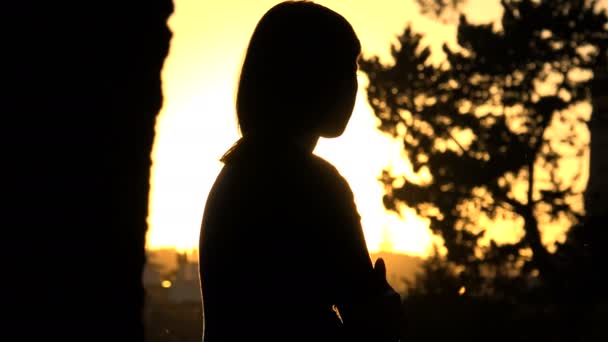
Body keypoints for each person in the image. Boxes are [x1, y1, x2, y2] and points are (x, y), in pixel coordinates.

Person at [198, 2, 402, 341]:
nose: (353, 86)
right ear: (305, 75)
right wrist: (385, 307)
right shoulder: (312, 182)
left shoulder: (234, 176)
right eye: (344, 67)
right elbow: (368, 318)